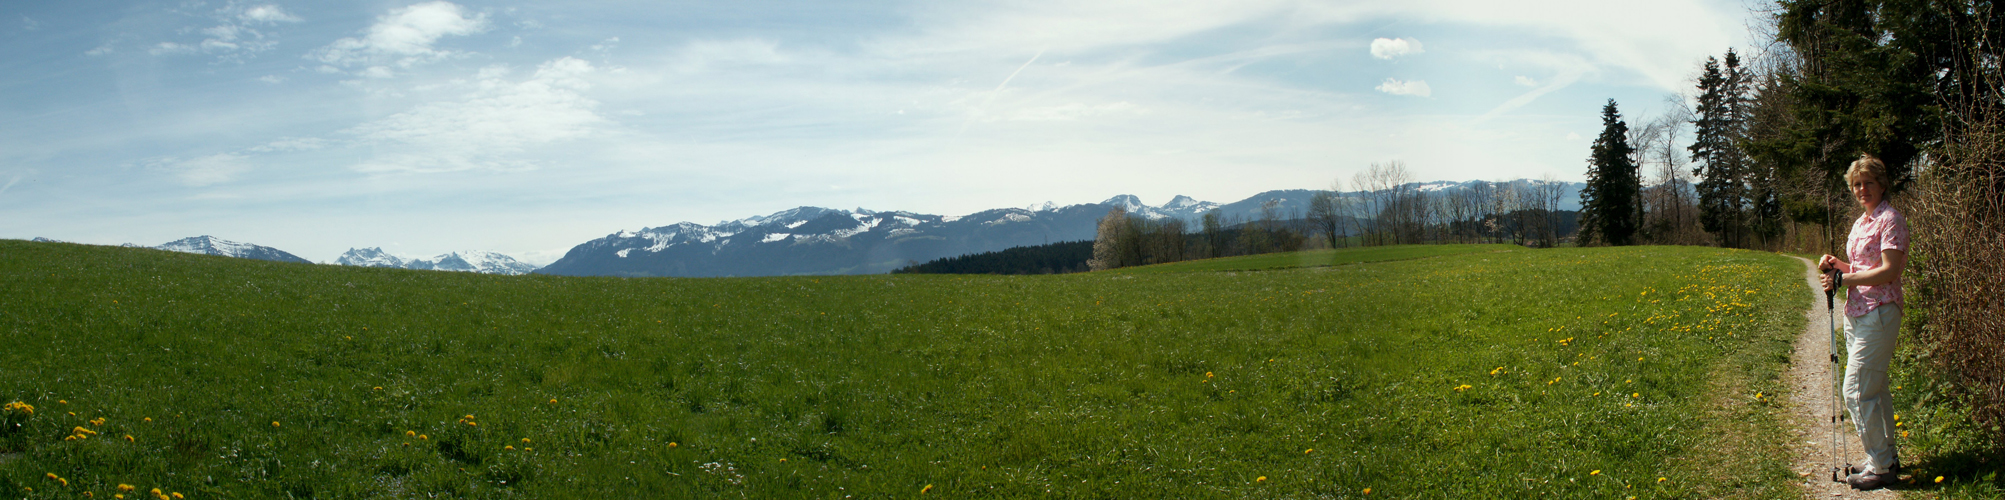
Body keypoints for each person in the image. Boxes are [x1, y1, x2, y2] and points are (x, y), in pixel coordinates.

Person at [1818, 154, 1910, 490]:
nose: (1862, 189)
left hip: (1881, 310)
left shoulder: (1891, 220)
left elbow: (1889, 271)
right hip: (1858, 313)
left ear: (1882, 184)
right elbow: (1860, 268)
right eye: (1857, 184)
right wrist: (1837, 264)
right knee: (1876, 388)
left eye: (1868, 182)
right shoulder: (1862, 222)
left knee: (1855, 392)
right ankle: (1886, 456)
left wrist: (1844, 280)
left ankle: (1881, 466)